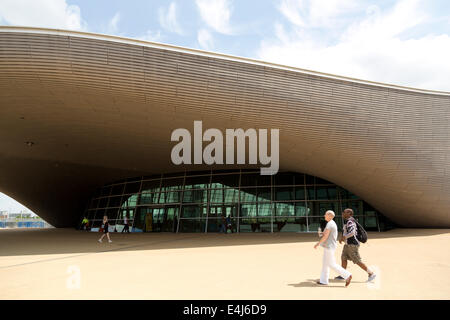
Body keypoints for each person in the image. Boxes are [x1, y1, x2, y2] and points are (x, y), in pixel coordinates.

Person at [335, 208, 376, 282]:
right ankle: (343, 274)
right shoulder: (348, 221)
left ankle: (371, 273)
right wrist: (343, 239)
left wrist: (343, 237)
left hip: (352, 245)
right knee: (343, 258)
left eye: (344, 212)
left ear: (349, 213)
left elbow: (352, 232)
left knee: (357, 260)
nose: (342, 213)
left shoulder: (350, 222)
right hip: (348, 244)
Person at [314, 210, 352, 287]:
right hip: (329, 246)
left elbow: (325, 236)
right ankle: (324, 280)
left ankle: (347, 275)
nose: (324, 216)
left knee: (331, 264)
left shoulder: (330, 224)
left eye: (325, 214)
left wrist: (318, 243)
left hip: (329, 246)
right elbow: (325, 234)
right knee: (325, 264)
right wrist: (321, 233)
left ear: (330, 216)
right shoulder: (331, 223)